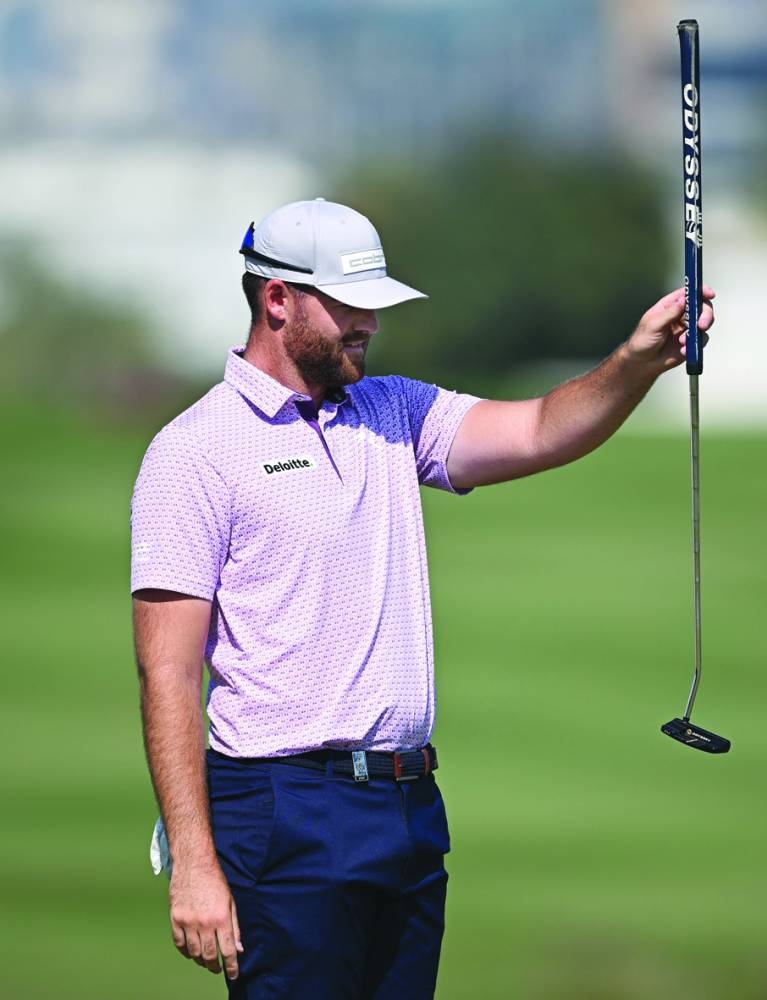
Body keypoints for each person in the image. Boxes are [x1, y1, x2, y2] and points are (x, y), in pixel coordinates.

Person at [130, 197, 715, 998]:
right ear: (277, 300)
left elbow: (543, 427)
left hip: (405, 808)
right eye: (348, 305)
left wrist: (640, 359)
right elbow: (166, 674)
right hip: (281, 807)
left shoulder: (394, 411)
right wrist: (194, 865)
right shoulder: (193, 452)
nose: (369, 322)